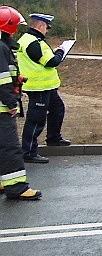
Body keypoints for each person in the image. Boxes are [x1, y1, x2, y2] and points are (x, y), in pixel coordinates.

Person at [0, 6, 42, 200]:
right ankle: (16, 187)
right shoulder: (1, 47)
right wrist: (11, 103)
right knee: (9, 147)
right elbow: (2, 80)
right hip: (2, 108)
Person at [16, 13, 70, 164]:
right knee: (36, 120)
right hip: (38, 87)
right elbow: (51, 62)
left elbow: (41, 57)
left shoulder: (33, 40)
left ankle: (53, 138)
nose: (47, 30)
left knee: (57, 108)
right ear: (40, 26)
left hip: (47, 86)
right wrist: (60, 52)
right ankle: (29, 152)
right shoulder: (33, 42)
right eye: (46, 27)